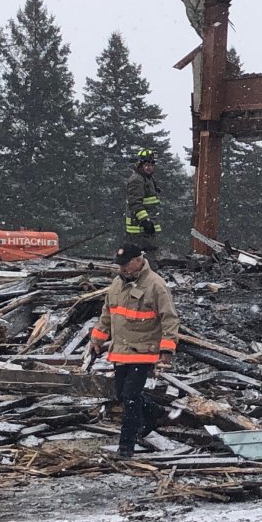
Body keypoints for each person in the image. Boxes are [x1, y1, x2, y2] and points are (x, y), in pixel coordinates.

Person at [88, 245, 179, 459]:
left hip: (144, 351)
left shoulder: (156, 285)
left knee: (130, 397)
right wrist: (97, 339)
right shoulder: (117, 285)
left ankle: (126, 447)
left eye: (127, 264)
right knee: (122, 394)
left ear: (139, 260)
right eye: (120, 265)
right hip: (120, 351)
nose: (123, 269)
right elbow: (107, 315)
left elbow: (170, 319)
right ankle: (155, 413)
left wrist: (167, 348)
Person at [125, 148, 162, 263]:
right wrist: (145, 220)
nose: (149, 167)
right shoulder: (137, 180)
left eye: (151, 164)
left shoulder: (147, 178)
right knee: (145, 259)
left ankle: (145, 278)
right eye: (146, 164)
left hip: (145, 227)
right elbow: (135, 203)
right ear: (140, 164)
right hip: (140, 228)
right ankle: (147, 279)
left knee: (145, 257)